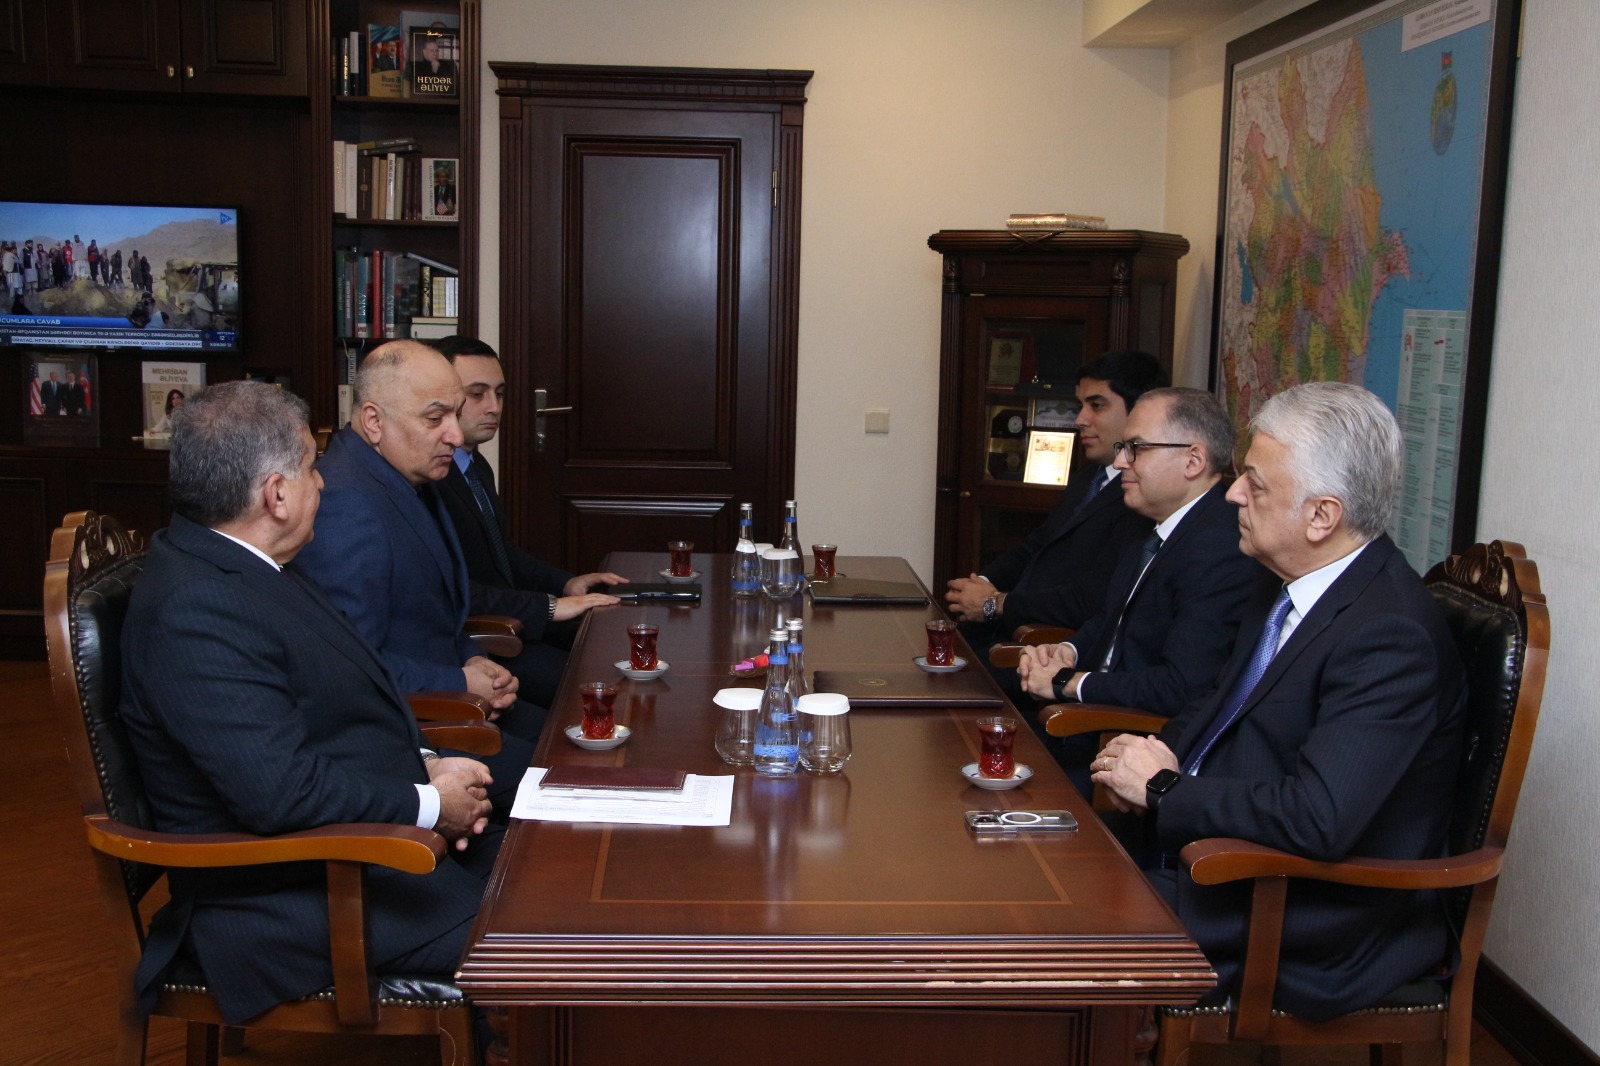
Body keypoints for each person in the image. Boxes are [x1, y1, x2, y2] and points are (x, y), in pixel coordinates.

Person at [120, 380, 499, 1026]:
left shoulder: (249, 564)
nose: (322, 482)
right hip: (291, 899)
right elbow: (281, 792)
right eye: (310, 467)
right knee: (543, 938)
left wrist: (428, 762)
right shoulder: (196, 609)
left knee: (551, 871)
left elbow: (343, 701)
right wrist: (431, 803)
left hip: (361, 849)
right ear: (275, 494)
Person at [1088, 381, 1468, 1020]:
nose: (1232, 493)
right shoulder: (1285, 581)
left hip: (1299, 910)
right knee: (1034, 864)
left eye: (1255, 484)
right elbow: (1218, 702)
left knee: (1049, 940)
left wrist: (1164, 791)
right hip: (1214, 855)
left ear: (1322, 516)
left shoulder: (1389, 635)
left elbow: (1320, 817)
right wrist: (1150, 756)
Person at [295, 340, 551, 746]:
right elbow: (350, 665)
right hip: (411, 732)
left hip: (456, 696)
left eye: (455, 414)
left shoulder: (407, 473)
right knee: (569, 765)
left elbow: (432, 618)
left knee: (576, 735)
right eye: (435, 419)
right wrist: (459, 681)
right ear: (374, 421)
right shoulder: (344, 505)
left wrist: (475, 660)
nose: (454, 435)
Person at [1018, 388, 1268, 718]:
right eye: (1122, 448)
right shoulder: (1143, 524)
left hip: (1120, 733)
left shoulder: (1223, 549)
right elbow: (1111, 620)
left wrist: (1068, 682)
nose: (1120, 462)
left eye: (1136, 448)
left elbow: (1180, 686)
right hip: (1091, 709)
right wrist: (1067, 651)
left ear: (1193, 460)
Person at [946, 350, 1166, 700]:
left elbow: (1089, 600)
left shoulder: (1140, 497)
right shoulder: (1088, 478)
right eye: (1080, 406)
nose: (1080, 419)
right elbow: (1036, 545)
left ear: (1139, 411)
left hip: (1041, 645)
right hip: (1011, 632)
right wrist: (979, 586)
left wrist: (995, 603)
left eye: (1096, 406)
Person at [432, 335, 626, 668]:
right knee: (592, 673)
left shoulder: (476, 466)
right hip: (479, 637)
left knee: (613, 639)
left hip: (515, 615)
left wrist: (565, 583)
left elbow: (502, 553)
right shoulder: (431, 480)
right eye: (477, 394)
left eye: (499, 393)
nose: (494, 407)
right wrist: (548, 606)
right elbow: (452, 590)